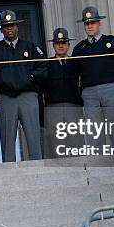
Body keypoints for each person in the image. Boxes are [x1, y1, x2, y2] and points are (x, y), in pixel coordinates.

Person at [0, 10, 48, 162]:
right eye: (6, 26)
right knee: (7, 138)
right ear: (1, 29)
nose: (9, 28)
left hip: (28, 96)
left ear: (17, 27)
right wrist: (1, 78)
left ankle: (37, 168)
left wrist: (29, 77)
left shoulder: (29, 47)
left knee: (33, 136)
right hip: (6, 98)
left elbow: (43, 68)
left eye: (11, 25)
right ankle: (9, 171)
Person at [72, 6, 114, 147]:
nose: (90, 26)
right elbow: (73, 73)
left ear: (99, 23)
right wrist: (80, 92)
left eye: (92, 22)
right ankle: (99, 163)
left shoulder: (111, 41)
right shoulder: (79, 48)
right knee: (94, 130)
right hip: (89, 92)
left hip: (110, 89)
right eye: (87, 23)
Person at [42, 28, 83, 158]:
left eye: (63, 43)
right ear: (53, 45)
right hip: (53, 107)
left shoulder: (76, 63)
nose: (60, 45)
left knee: (76, 141)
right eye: (57, 43)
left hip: (73, 106)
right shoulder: (46, 64)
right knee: (57, 143)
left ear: (68, 45)